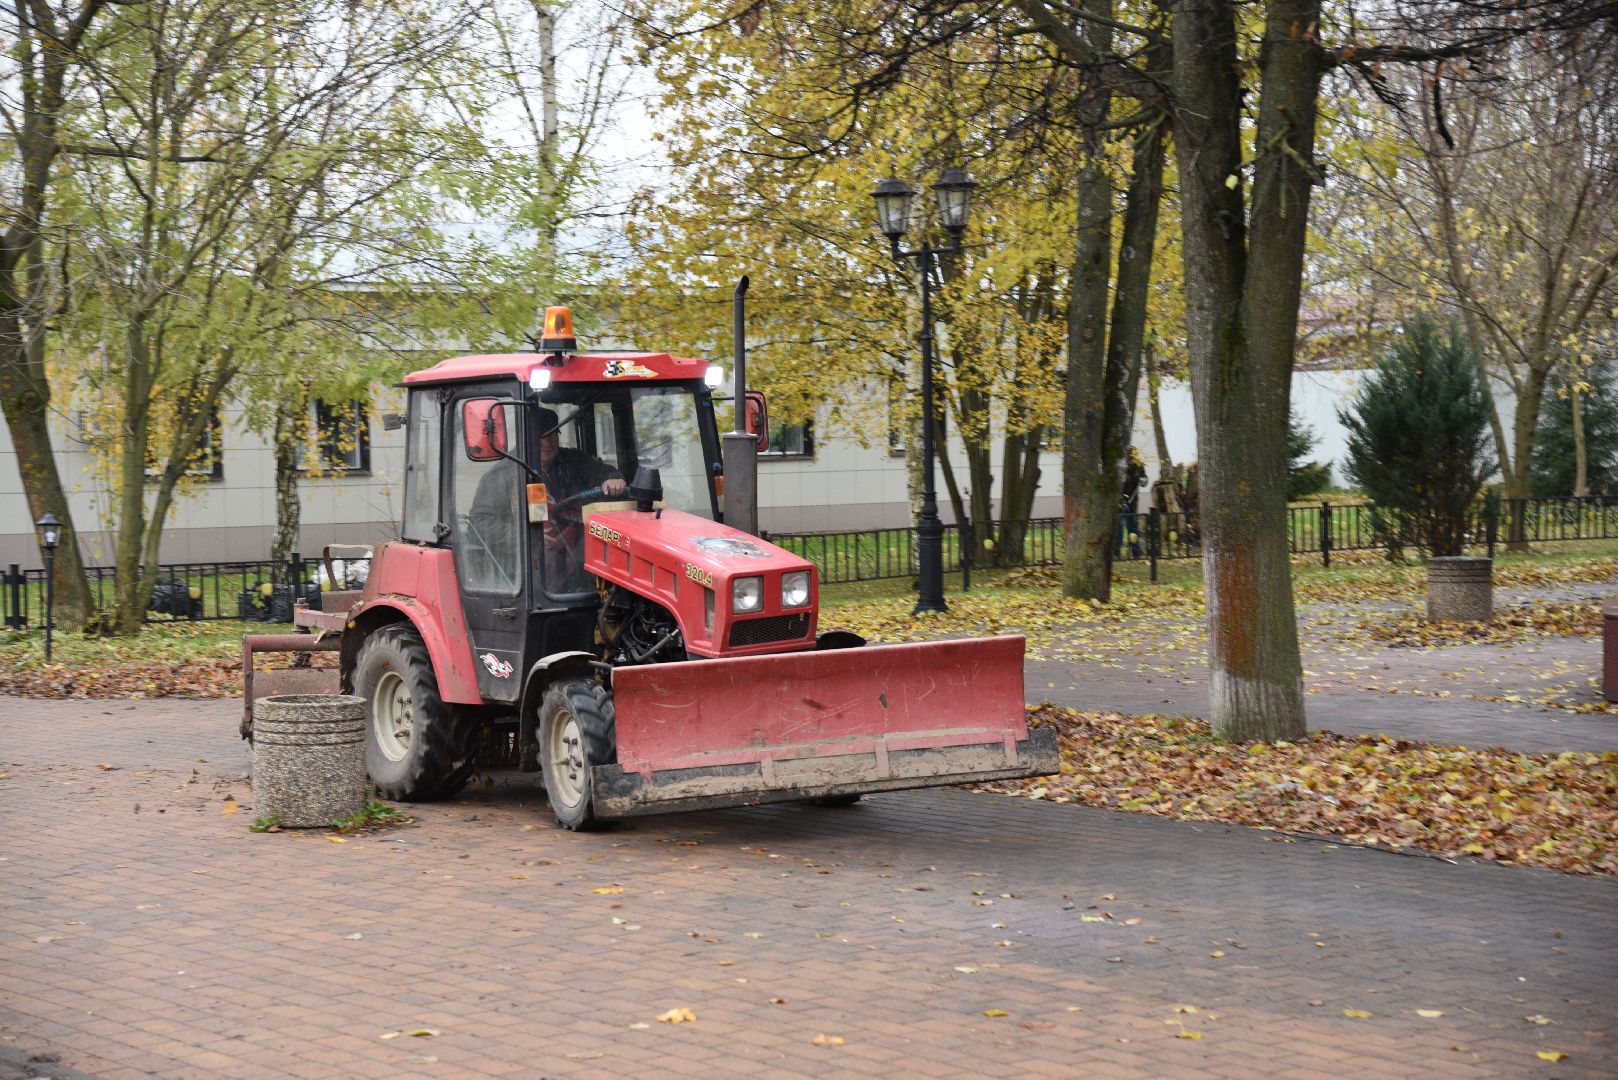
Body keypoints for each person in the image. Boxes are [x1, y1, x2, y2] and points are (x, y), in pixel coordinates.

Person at [534, 407, 625, 589]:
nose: (548, 443)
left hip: (578, 556)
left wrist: (614, 479)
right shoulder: (506, 475)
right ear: (526, 439)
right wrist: (528, 536)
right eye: (540, 436)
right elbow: (484, 523)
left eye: (553, 435)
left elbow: (603, 472)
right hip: (535, 572)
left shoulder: (572, 461)